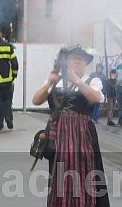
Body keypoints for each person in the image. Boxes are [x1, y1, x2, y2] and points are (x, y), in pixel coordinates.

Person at [32, 46, 109, 207]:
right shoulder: (57, 81)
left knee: (84, 174)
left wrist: (77, 81)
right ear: (66, 62)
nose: (77, 61)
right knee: (59, 175)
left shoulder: (92, 80)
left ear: (86, 63)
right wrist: (48, 82)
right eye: (74, 58)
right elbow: (36, 100)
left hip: (82, 135)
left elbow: (95, 98)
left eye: (81, 59)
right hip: (58, 136)